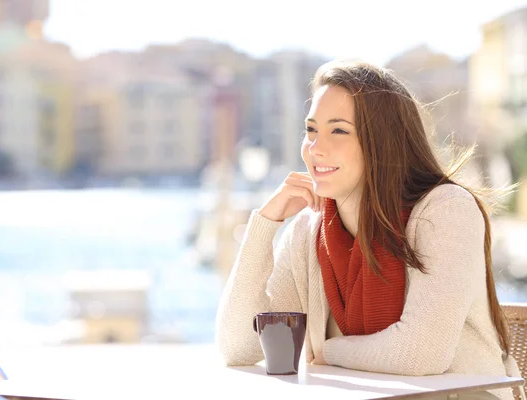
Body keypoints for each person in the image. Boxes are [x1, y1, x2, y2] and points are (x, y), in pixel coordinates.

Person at [215, 60, 522, 400]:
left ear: (383, 142)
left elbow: (420, 354)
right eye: (311, 129)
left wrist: (329, 352)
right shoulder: (307, 231)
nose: (315, 147)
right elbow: (240, 347)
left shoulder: (446, 209)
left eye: (339, 130)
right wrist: (265, 223)